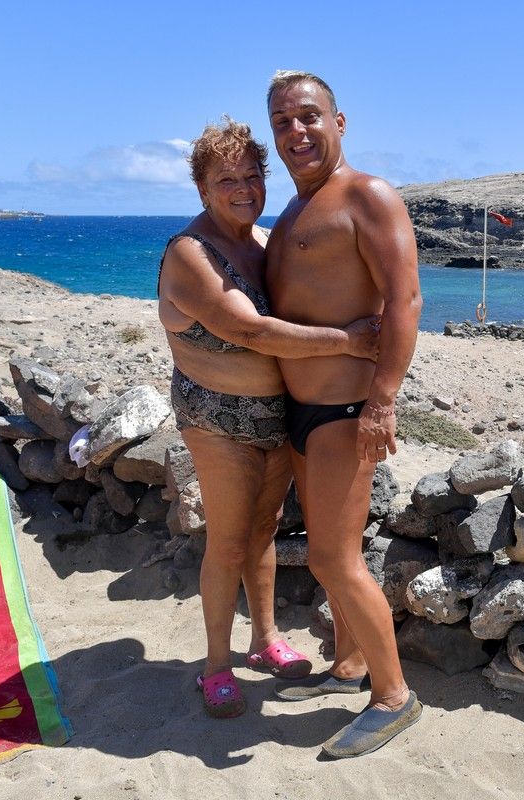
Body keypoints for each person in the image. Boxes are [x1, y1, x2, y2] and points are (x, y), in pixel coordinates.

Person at [157, 117, 381, 719]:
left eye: (252, 176)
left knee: (265, 528)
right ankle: (214, 666)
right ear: (202, 187)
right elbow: (248, 329)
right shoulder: (189, 252)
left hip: (274, 413)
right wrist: (350, 341)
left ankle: (263, 640)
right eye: (226, 178)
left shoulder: (258, 242)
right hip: (216, 415)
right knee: (228, 541)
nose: (243, 188)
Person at [264, 70, 423, 758]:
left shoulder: (367, 195)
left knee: (333, 555)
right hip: (299, 411)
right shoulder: (294, 214)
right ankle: (352, 665)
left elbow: (406, 301)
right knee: (336, 555)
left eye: (307, 117)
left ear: (339, 121)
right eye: (281, 123)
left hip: (346, 409)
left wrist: (383, 400)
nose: (295, 133)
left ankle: (394, 697)